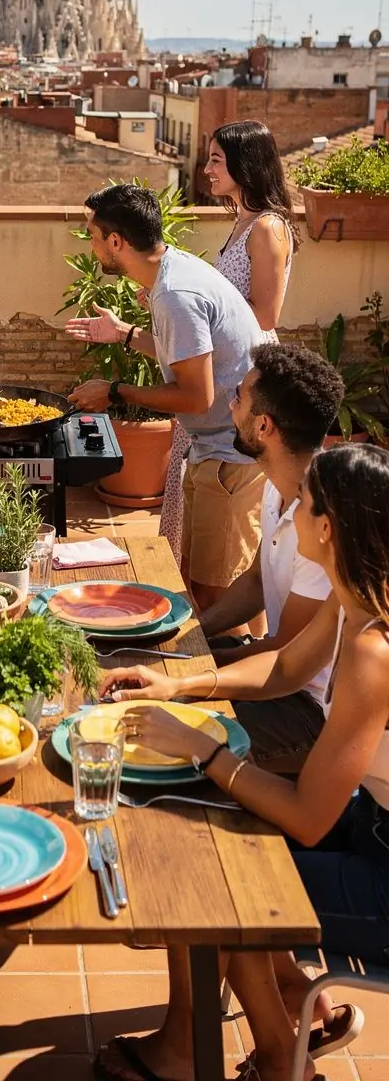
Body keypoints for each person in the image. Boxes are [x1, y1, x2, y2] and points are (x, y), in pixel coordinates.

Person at [98, 443, 389, 1081]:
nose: (291, 515)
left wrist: (202, 748)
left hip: (382, 877)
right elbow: (286, 667)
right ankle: (277, 1026)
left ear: (329, 529)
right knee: (208, 844)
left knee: (212, 885)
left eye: (304, 506)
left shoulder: (374, 650)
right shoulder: (360, 596)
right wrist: (179, 686)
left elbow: (308, 817)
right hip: (368, 828)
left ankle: (212, 1053)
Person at [65, 184, 264, 611]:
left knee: (220, 592)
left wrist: (114, 392)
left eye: (94, 236)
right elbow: (191, 356)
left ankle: (232, 670)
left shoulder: (175, 293)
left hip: (232, 455)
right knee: (198, 577)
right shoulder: (171, 272)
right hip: (216, 448)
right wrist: (125, 335)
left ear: (116, 241)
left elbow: (195, 395)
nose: (93, 245)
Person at [160, 120, 299, 566]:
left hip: (244, 376)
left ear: (246, 163)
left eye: (217, 160)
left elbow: (264, 315)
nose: (206, 169)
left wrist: (201, 309)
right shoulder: (242, 222)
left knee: (226, 516)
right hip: (225, 372)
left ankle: (223, 619)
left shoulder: (266, 228)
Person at [200, 342, 343, 772]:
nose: (230, 404)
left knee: (169, 732)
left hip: (307, 712)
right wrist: (192, 634)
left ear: (263, 426)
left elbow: (285, 654)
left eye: (239, 397)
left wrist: (194, 674)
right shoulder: (275, 486)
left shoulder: (322, 523)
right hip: (273, 671)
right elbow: (258, 582)